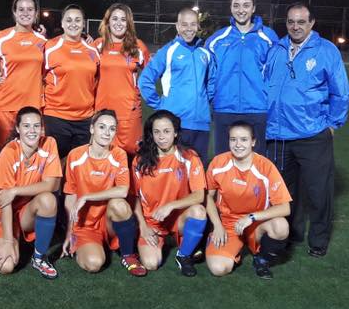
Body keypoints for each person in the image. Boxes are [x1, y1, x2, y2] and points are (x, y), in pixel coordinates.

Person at [264, 2, 349, 258]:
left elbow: (341, 91)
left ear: (312, 23)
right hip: (278, 135)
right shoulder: (277, 49)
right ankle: (289, 235)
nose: (295, 26)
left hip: (312, 135)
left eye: (301, 22)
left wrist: (333, 124)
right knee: (285, 193)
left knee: (318, 191)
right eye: (291, 21)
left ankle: (319, 241)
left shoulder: (326, 51)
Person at [62, 110, 147, 276]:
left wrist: (87, 197)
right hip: (85, 225)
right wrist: (69, 233)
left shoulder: (119, 154)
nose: (107, 133)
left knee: (119, 204)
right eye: (102, 127)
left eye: (112, 129)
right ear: (92, 129)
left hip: (108, 221)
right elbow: (70, 195)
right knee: (94, 264)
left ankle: (128, 255)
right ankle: (89, 244)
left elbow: (123, 190)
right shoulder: (76, 155)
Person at [205, 121, 291, 279]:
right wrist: (217, 225)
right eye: (233, 140)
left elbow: (285, 208)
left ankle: (262, 259)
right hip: (228, 224)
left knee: (281, 226)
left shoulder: (266, 167)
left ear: (253, 142)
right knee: (218, 269)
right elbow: (208, 197)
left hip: (256, 224)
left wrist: (251, 217)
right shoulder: (218, 163)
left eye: (244, 140)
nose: (238, 145)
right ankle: (232, 250)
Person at [0, 107, 62, 279]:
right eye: (27, 126)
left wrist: (15, 191)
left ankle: (39, 257)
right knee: (6, 266)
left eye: (37, 126)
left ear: (42, 128)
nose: (32, 131)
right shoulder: (9, 152)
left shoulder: (49, 143)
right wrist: (7, 241)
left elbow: (52, 184)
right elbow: (4, 200)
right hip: (3, 212)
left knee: (48, 200)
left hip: (25, 212)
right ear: (18, 129)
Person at [132, 111, 208, 277]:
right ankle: (167, 241)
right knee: (151, 264)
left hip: (178, 218)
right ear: (151, 134)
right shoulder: (140, 160)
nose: (161, 137)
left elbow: (199, 196)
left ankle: (184, 255)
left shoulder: (189, 157)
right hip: (152, 221)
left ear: (175, 133)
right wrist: (143, 227)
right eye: (156, 132)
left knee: (199, 211)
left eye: (166, 131)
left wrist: (170, 206)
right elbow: (134, 197)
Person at [206, 0, 278, 155]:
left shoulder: (269, 38)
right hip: (224, 108)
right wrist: (212, 98)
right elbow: (209, 75)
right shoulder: (217, 39)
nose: (241, 10)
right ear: (231, 8)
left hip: (257, 109)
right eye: (236, 5)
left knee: (256, 162)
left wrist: (268, 99)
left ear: (253, 8)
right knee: (223, 161)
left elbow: (275, 75)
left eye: (246, 5)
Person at [138, 7, 215, 165]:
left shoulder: (205, 53)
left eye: (193, 24)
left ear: (198, 26)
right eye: (184, 24)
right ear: (177, 26)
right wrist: (161, 105)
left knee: (200, 172)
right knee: (177, 174)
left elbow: (212, 81)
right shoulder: (168, 51)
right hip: (177, 124)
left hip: (201, 124)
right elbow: (145, 80)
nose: (189, 29)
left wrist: (206, 104)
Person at [0, 0, 48, 146]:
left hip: (31, 106)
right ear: (14, 12)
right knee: (4, 153)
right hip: (5, 106)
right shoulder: (0, 38)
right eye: (21, 9)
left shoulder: (42, 41)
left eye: (30, 9)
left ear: (36, 13)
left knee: (29, 153)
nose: (25, 13)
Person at [43, 4, 100, 158]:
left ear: (83, 23)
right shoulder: (50, 47)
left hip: (85, 119)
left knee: (78, 166)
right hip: (56, 117)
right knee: (55, 167)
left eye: (77, 20)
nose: (73, 24)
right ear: (62, 23)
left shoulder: (92, 49)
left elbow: (96, 80)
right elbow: (36, 76)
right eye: (68, 20)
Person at [94, 3, 149, 155]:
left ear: (129, 23)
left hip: (128, 112)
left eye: (123, 19)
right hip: (102, 110)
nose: (119, 23)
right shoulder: (97, 45)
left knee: (131, 155)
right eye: (115, 19)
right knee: (104, 157)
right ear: (108, 22)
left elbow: (152, 74)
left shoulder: (138, 46)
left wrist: (138, 94)